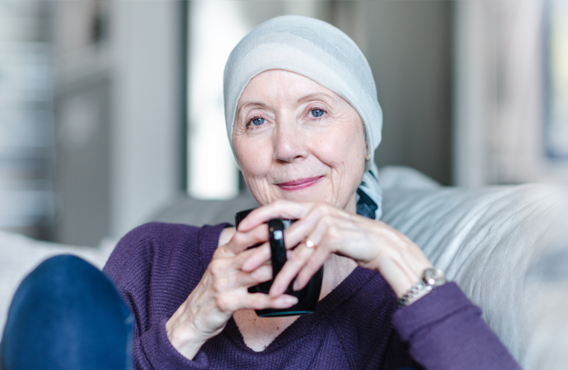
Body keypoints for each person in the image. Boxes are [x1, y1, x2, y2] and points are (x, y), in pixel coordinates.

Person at [0, 15, 521, 370]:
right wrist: (190, 323)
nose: (287, 146)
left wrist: (397, 255)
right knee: (62, 285)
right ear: (237, 148)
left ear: (366, 138)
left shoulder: (392, 305)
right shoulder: (155, 256)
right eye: (257, 121)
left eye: (315, 112)